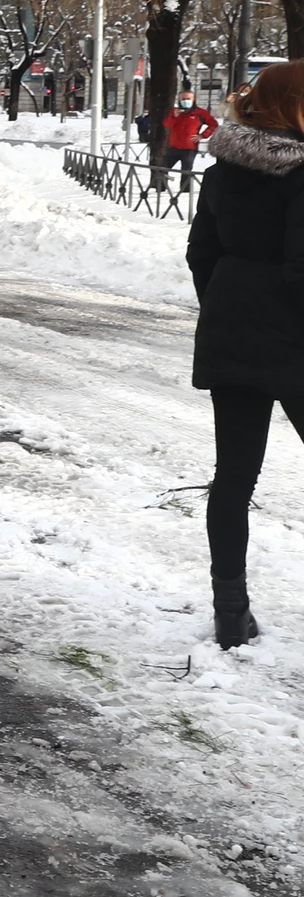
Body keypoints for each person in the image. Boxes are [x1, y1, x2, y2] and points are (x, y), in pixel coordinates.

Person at [185, 62, 304, 649]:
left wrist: (229, 302)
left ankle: (230, 609)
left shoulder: (223, 170)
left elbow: (199, 253)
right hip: (295, 342)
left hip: (233, 335)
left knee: (233, 477)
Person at [161, 89, 219, 190]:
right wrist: (174, 116)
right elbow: (167, 125)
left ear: (193, 99)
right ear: (179, 100)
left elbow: (213, 124)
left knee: (186, 171)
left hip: (190, 148)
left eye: (188, 98)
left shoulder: (200, 113)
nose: (185, 100)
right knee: (162, 168)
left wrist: (202, 135)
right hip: (174, 146)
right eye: (183, 99)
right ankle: (160, 188)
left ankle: (184, 191)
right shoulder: (175, 112)